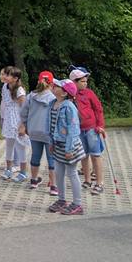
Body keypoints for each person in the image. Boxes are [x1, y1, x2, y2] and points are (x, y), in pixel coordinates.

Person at [49, 78, 85, 215]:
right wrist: (52, 143)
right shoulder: (53, 104)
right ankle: (62, 200)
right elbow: (52, 127)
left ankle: (77, 203)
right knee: (58, 173)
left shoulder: (69, 107)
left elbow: (74, 130)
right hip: (58, 145)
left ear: (64, 93)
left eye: (57, 86)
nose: (53, 86)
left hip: (70, 147)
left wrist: (69, 149)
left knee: (72, 173)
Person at [20, 70, 58, 195]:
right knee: (51, 158)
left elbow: (23, 112)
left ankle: (34, 180)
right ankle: (53, 186)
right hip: (48, 132)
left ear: (38, 82)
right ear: (52, 84)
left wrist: (24, 125)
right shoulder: (54, 98)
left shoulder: (31, 96)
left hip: (33, 131)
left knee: (35, 156)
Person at [70, 67, 106, 194]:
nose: (85, 84)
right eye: (82, 81)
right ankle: (87, 180)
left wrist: (100, 125)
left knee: (96, 155)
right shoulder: (70, 95)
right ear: (74, 82)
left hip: (92, 129)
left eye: (86, 81)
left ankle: (100, 183)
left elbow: (98, 109)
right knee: (83, 155)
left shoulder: (89, 93)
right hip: (78, 131)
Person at [1, 66, 28, 182]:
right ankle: (8, 169)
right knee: (9, 145)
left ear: (15, 78)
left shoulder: (19, 91)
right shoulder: (4, 87)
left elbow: (25, 109)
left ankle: (23, 172)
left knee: (20, 146)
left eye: (8, 75)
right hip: (8, 119)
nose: (5, 77)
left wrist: (23, 125)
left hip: (17, 119)